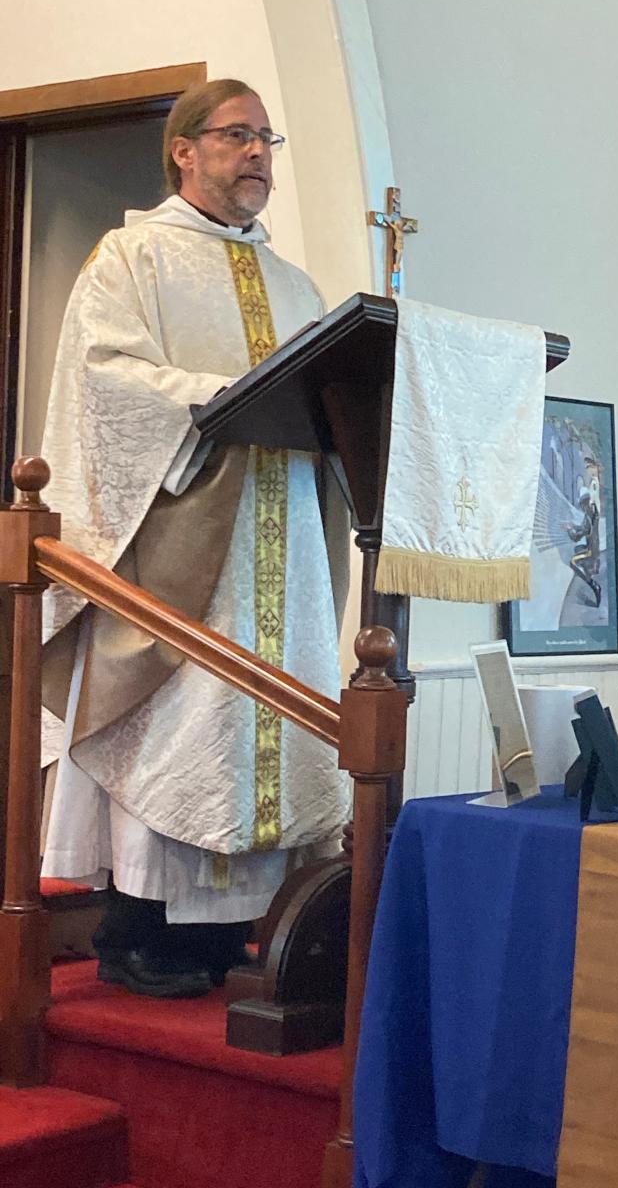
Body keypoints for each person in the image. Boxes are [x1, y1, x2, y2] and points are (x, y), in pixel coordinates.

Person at [39, 79, 351, 997]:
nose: (257, 154)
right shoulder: (132, 259)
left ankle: (240, 935)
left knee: (272, 725)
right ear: (184, 150)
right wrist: (213, 403)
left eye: (267, 140)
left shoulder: (298, 287)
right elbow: (106, 375)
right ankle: (141, 935)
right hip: (182, 541)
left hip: (284, 550)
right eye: (237, 136)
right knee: (187, 726)